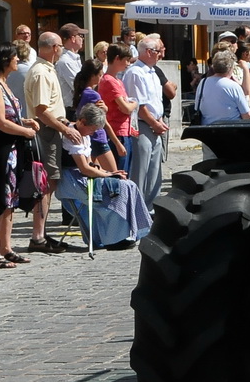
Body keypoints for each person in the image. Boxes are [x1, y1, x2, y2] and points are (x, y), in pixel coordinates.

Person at [0, 43, 40, 270]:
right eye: (13, 57)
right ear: (5, 60)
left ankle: (6, 248)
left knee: (9, 201)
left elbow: (9, 117)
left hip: (11, 149)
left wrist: (24, 123)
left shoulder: (4, 84)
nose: (16, 60)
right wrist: (25, 131)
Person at [58, 103, 152, 249]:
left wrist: (111, 174)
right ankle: (113, 238)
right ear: (82, 121)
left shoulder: (85, 135)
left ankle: (130, 231)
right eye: (92, 129)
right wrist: (108, 176)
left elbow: (90, 164)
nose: (92, 133)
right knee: (116, 194)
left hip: (84, 175)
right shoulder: (73, 137)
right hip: (73, 179)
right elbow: (84, 168)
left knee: (129, 185)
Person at [24, 31, 75, 255]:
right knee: (45, 184)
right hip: (45, 131)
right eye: (61, 47)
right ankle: (38, 235)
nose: (62, 50)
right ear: (54, 47)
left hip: (51, 128)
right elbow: (42, 111)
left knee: (49, 182)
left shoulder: (46, 69)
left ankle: (41, 233)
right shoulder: (41, 73)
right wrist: (64, 129)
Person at [123, 35, 170, 208]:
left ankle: (150, 207)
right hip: (143, 126)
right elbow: (139, 106)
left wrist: (159, 120)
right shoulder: (135, 73)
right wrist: (154, 123)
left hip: (154, 124)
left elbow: (155, 102)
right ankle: (137, 208)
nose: (161, 55)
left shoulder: (152, 72)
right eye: (159, 51)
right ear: (149, 52)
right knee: (140, 172)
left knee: (154, 172)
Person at [98, 46, 140, 174]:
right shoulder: (109, 81)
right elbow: (126, 108)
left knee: (126, 172)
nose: (128, 64)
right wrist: (135, 103)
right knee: (120, 172)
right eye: (126, 60)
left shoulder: (117, 81)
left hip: (124, 131)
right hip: (117, 132)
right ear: (117, 58)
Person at [193, 51, 250, 124]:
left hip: (207, 130)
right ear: (230, 67)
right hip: (231, 130)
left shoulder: (202, 83)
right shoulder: (233, 86)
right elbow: (246, 116)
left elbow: (197, 108)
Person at [54, 23, 85, 105]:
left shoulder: (72, 58)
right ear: (73, 38)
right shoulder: (66, 61)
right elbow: (79, 86)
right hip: (71, 109)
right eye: (80, 36)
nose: (83, 39)